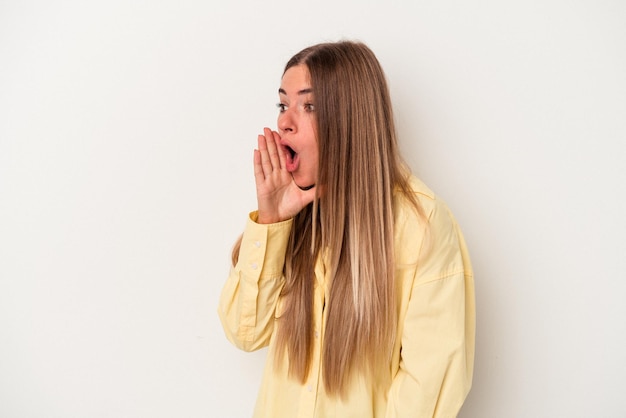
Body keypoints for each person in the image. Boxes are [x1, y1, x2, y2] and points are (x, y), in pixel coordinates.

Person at [218, 40, 475, 418]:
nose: (285, 121)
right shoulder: (289, 217)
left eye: (309, 105)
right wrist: (271, 220)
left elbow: (429, 389)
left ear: (350, 119)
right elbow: (245, 332)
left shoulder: (421, 224)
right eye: (283, 104)